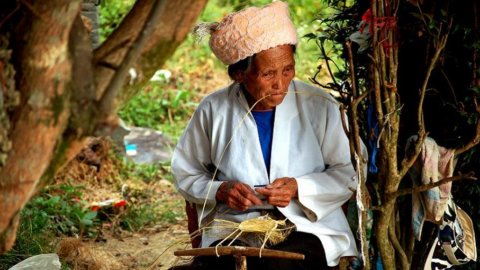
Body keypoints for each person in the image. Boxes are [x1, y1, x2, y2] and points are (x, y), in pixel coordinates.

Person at [171, 2, 358, 269]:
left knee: (278, 266)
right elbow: (185, 172)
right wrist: (220, 190)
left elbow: (349, 171)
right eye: (268, 73)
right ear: (238, 74)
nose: (281, 84)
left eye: (288, 70)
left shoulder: (319, 104)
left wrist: (299, 188)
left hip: (305, 227)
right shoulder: (214, 109)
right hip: (235, 228)